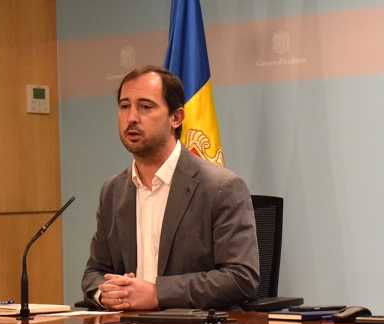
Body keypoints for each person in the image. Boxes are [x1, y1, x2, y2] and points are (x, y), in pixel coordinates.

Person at [82, 65, 259, 311]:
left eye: (145, 107)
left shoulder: (221, 187)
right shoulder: (113, 190)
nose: (132, 117)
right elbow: (94, 273)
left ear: (176, 118)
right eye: (124, 106)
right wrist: (106, 295)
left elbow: (241, 278)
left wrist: (158, 294)